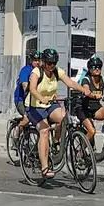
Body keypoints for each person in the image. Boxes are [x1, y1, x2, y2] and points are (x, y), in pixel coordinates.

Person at [27, 48, 92, 179]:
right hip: (35, 107)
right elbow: (32, 89)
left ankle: (56, 141)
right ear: (44, 62)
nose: (51, 66)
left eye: (54, 63)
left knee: (64, 117)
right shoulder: (36, 72)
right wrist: (41, 97)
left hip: (50, 105)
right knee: (44, 131)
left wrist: (84, 90)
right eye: (49, 63)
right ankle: (45, 167)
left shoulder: (57, 71)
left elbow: (71, 83)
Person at [13, 51, 40, 131]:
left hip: (33, 100)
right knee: (27, 119)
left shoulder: (40, 71)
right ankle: (16, 135)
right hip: (21, 99)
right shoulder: (26, 70)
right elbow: (25, 86)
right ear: (31, 61)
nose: (38, 62)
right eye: (35, 60)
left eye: (39, 60)